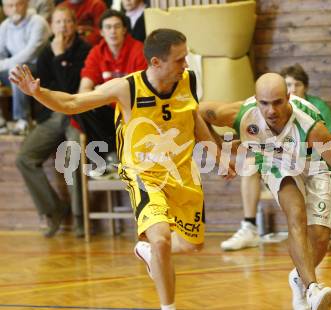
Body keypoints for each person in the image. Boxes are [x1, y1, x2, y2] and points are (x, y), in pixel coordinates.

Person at [10, 28, 234, 310]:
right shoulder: (127, 88)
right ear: (156, 63)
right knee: (163, 239)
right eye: (179, 60)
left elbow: (193, 117)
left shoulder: (187, 79)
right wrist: (37, 92)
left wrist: (217, 154)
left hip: (182, 174)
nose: (185, 65)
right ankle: (168, 305)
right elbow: (72, 103)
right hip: (144, 175)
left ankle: (149, 252)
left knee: (192, 246)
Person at [200, 73, 331, 310]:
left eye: (277, 102)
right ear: (256, 100)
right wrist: (219, 155)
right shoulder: (241, 114)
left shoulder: (310, 126)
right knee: (296, 214)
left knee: (320, 239)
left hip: (315, 166)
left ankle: (298, 277)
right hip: (276, 163)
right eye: (264, 103)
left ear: (288, 97)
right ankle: (313, 289)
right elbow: (199, 112)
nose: (271, 110)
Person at [221, 64, 331, 251]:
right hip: (279, 161)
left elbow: (325, 147)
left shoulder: (317, 108)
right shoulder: (264, 110)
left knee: (321, 234)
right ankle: (249, 226)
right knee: (250, 163)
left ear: (303, 87)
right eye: (288, 84)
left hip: (311, 163)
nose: (293, 88)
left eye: (297, 84)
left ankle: (314, 239)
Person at [15, 6, 91, 237]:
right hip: (51, 116)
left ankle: (80, 218)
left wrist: (60, 56)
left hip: (76, 113)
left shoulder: (84, 50)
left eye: (67, 22)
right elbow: (43, 89)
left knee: (72, 157)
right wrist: (56, 56)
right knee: (24, 158)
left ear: (75, 25)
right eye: (58, 22)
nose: (62, 27)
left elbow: (70, 89)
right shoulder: (46, 53)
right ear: (52, 25)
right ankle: (54, 210)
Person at [74, 9, 146, 170]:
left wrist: (105, 92)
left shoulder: (138, 50)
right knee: (79, 109)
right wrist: (99, 95)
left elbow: (142, 91)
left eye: (117, 26)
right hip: (108, 113)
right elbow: (83, 90)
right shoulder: (96, 53)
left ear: (124, 30)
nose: (113, 31)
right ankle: (111, 153)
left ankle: (114, 153)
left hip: (132, 110)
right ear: (101, 32)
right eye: (108, 27)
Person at [0, 0, 50, 134]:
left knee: (16, 71)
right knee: (15, 70)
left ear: (27, 4)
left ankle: (23, 120)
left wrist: (3, 64)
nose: (15, 8)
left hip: (38, 68)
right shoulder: (4, 26)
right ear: (4, 9)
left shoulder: (38, 22)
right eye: (10, 6)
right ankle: (1, 121)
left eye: (19, 4)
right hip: (14, 68)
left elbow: (30, 52)